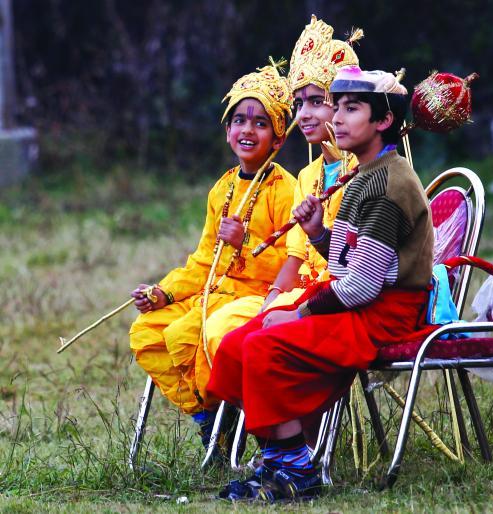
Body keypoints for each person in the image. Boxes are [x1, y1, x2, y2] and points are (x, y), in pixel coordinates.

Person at [207, 66, 436, 502]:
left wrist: (300, 312)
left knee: (265, 345)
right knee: (239, 344)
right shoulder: (363, 174)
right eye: (339, 108)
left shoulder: (389, 184)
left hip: (385, 314)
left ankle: (298, 470)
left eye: (352, 109)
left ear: (383, 121)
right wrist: (317, 233)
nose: (339, 119)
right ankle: (280, 458)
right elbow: (353, 259)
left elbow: (364, 285)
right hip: (357, 300)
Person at [128, 64, 296, 452]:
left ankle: (230, 420)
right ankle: (210, 419)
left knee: (184, 335)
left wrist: (245, 242)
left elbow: (295, 262)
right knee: (147, 330)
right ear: (227, 132)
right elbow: (205, 260)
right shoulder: (221, 188)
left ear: (277, 137)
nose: (247, 131)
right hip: (214, 292)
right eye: (239, 121)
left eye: (260, 123)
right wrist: (164, 293)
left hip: (254, 297)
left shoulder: (285, 189)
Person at [202, 16, 362, 377]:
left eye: (316, 102)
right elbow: (294, 257)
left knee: (254, 338)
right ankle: (244, 430)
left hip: (341, 297)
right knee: (220, 328)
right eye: (299, 103)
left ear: (343, 104)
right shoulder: (309, 176)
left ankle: (287, 433)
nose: (303, 114)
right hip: (296, 292)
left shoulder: (364, 172)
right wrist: (272, 299)